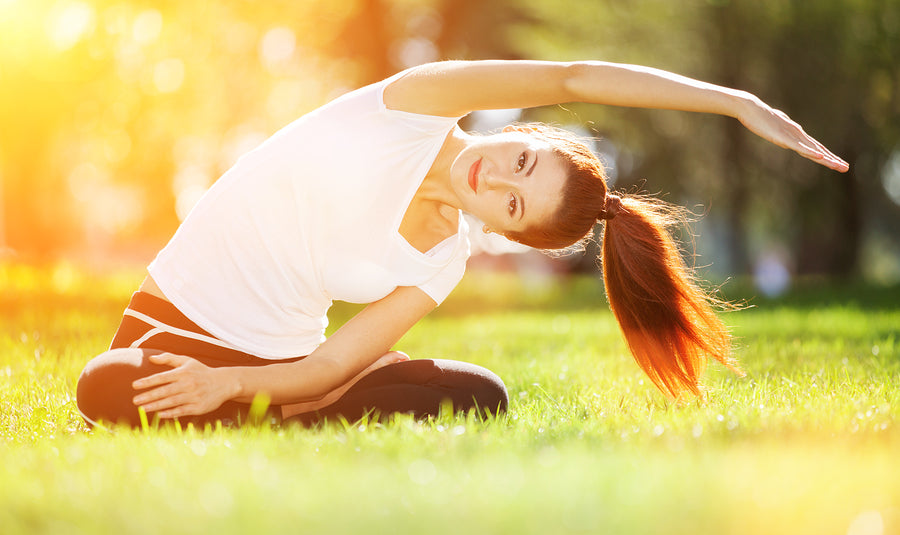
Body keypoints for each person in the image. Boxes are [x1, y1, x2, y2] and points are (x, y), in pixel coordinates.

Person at [75, 60, 848, 428]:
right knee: (100, 387)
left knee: (484, 395)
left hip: (274, 370)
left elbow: (337, 358)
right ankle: (279, 411)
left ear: (508, 231)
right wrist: (738, 102)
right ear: (528, 135)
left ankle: (276, 410)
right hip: (170, 330)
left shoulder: (443, 257)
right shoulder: (412, 106)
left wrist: (237, 386)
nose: (493, 179)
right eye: (520, 161)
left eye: (512, 203)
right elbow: (578, 75)